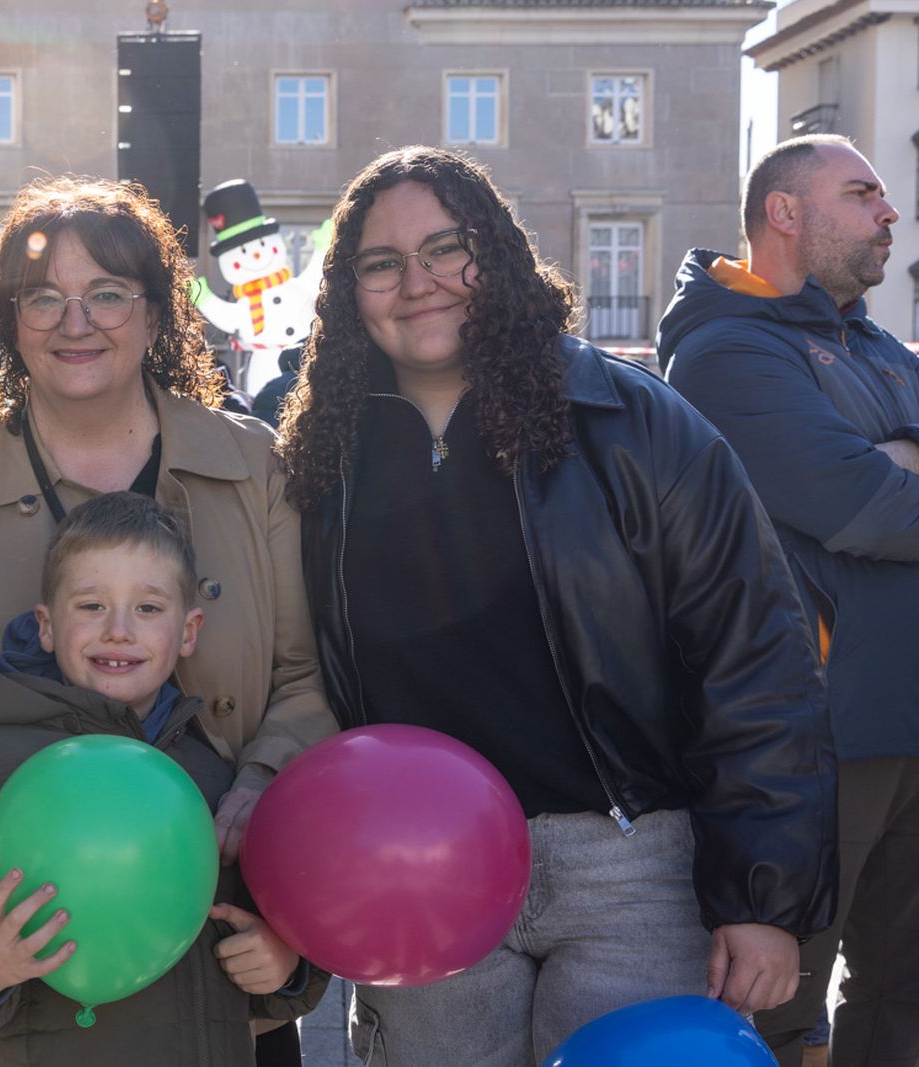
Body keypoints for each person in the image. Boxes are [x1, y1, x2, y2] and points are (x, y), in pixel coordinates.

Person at [279, 145, 838, 1065]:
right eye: (382, 263)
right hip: (415, 868)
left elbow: (757, 653)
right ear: (349, 291)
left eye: (447, 248)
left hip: (626, 869)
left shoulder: (629, 420)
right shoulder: (320, 455)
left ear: (494, 255)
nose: (419, 283)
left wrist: (761, 898)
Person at [0, 176, 335, 866]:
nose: (75, 321)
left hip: (222, 869)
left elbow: (304, 676)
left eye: (107, 294)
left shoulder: (257, 465)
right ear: (10, 321)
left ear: (155, 316)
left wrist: (264, 779)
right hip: (6, 871)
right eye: (42, 298)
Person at [0, 492, 325, 1063]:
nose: (118, 630)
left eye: (148, 608)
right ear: (45, 625)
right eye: (91, 605)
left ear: (190, 630)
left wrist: (287, 966)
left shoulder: (212, 775)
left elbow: (270, 917)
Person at [659, 133, 919, 1067]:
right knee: (775, 1013)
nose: (890, 213)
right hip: (811, 740)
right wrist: (885, 467)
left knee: (904, 1004)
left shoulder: (882, 347)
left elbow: (880, 498)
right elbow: (857, 502)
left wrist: (887, 471)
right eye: (863, 193)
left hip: (909, 720)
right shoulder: (724, 350)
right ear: (784, 212)